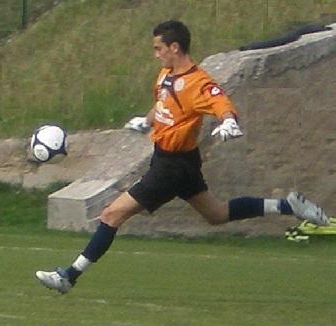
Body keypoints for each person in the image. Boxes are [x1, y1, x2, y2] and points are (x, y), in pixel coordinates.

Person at [35, 20, 329, 294]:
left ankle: (68, 276)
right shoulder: (166, 74)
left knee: (112, 214)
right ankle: (287, 205)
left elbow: (220, 101)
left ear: (175, 48)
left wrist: (228, 121)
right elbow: (162, 105)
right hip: (172, 160)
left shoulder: (197, 82)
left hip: (172, 166)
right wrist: (146, 121)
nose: (156, 55)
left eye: (158, 49)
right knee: (217, 214)